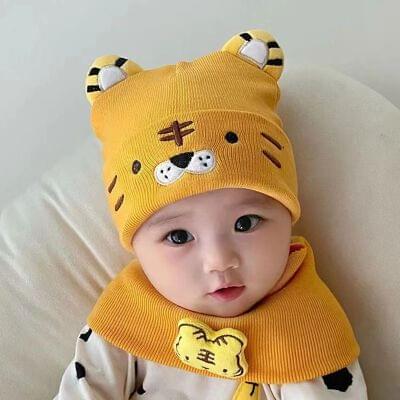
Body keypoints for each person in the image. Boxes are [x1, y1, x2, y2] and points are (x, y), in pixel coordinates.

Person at [53, 29, 368, 399]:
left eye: (245, 223)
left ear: (288, 217)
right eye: (178, 237)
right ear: (137, 247)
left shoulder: (308, 329)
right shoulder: (126, 317)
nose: (219, 261)